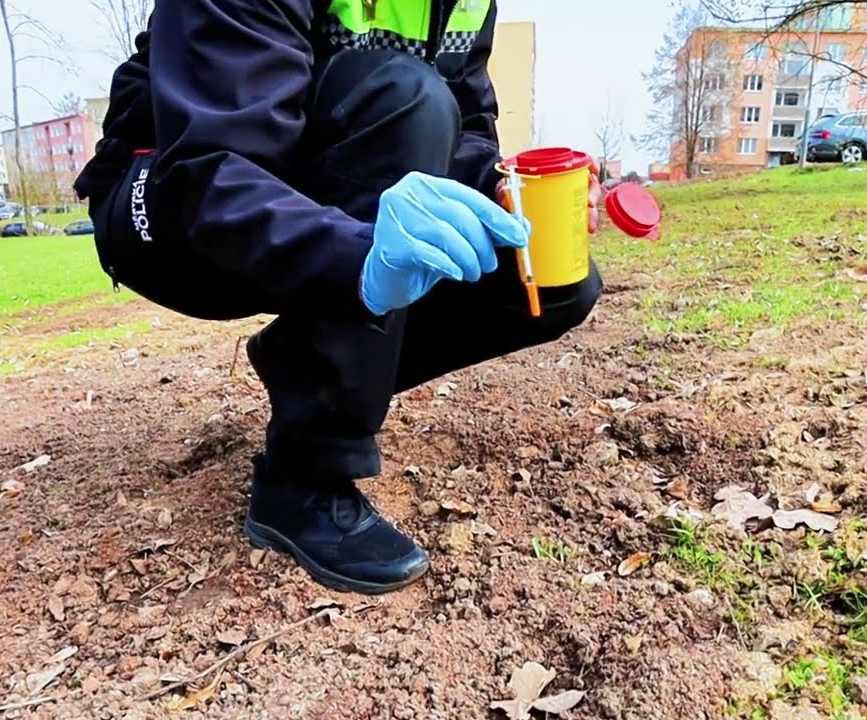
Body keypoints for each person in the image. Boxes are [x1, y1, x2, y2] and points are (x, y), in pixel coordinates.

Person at [74, 0, 603, 595]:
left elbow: (466, 134)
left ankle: (306, 363)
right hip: (171, 203)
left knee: (553, 286)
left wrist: (510, 194)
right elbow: (207, 168)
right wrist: (358, 260)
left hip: (322, 191)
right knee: (405, 96)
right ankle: (303, 477)